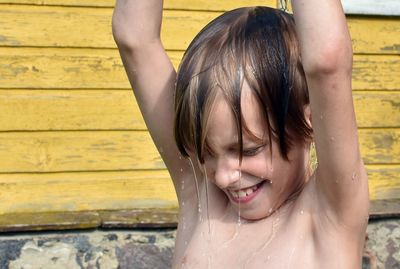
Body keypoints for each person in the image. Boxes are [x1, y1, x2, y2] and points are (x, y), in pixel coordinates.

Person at [112, 0, 370, 268]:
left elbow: (327, 62)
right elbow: (134, 37)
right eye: (206, 153)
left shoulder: (329, 215)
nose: (222, 177)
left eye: (248, 150)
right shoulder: (202, 194)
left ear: (312, 120)